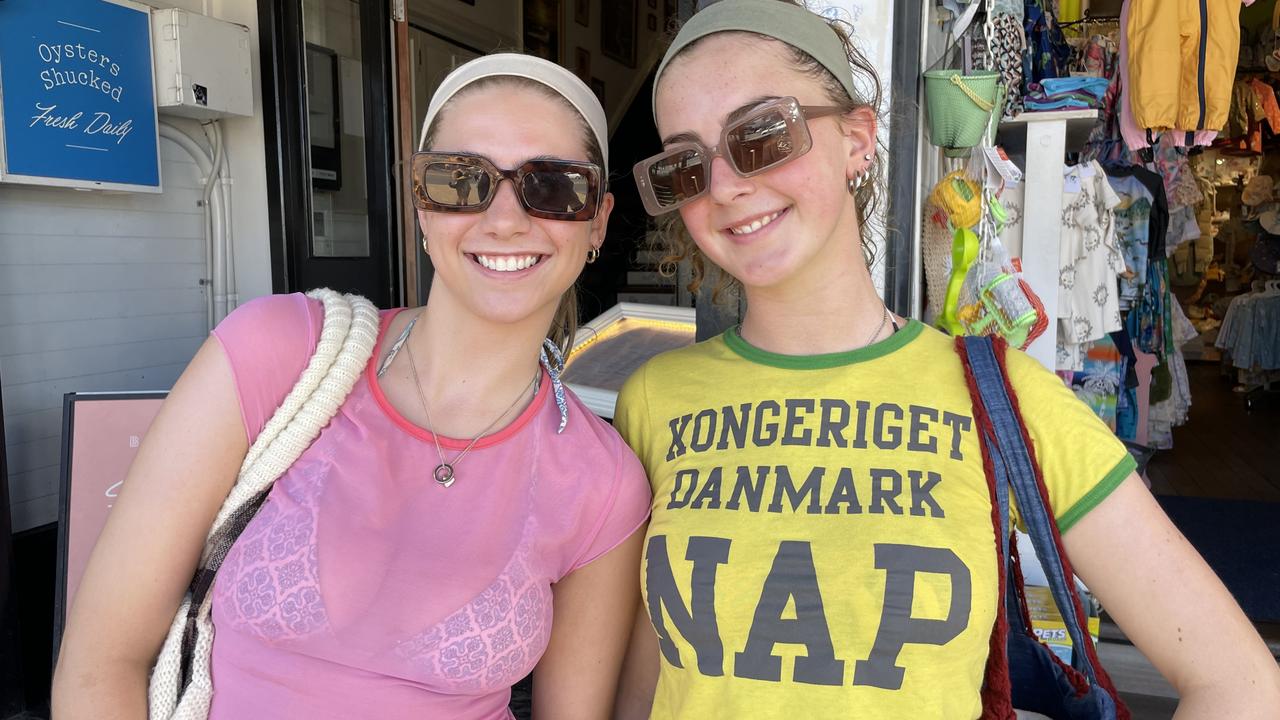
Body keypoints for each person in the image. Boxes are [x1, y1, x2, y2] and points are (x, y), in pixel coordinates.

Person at [612, 2, 1280, 718]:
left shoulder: (1002, 396)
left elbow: (1238, 681)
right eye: (686, 163)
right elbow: (652, 677)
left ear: (857, 140)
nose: (723, 186)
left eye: (764, 134)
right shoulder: (655, 399)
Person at [52, 54, 650, 720]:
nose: (505, 219)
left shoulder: (604, 483)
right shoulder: (276, 353)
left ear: (597, 221)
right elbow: (101, 664)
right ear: (422, 205)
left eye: (553, 186)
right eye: (461, 180)